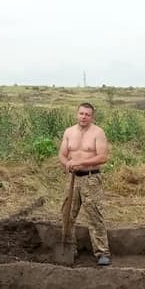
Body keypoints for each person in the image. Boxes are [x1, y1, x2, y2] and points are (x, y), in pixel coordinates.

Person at [58, 102, 111, 266]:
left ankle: (102, 253)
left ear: (92, 117)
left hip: (90, 179)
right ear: (77, 114)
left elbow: (103, 157)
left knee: (94, 215)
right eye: (81, 113)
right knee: (67, 214)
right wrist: (67, 163)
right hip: (72, 178)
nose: (84, 117)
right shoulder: (69, 132)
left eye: (87, 114)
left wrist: (82, 162)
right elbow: (62, 153)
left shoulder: (98, 133)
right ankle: (69, 248)